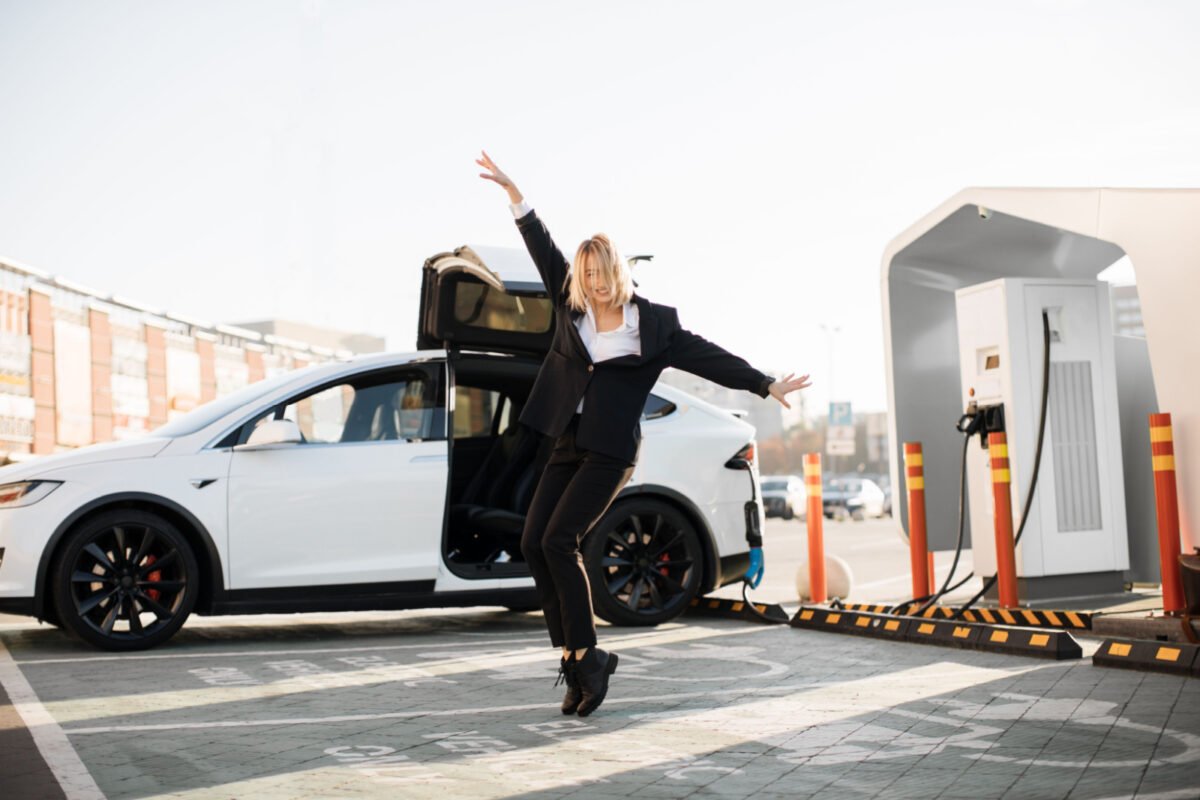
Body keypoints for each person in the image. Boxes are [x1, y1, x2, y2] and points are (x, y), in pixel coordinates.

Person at [477, 151, 811, 717]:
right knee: (535, 543)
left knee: (561, 542)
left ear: (617, 273)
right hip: (565, 442)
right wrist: (516, 194)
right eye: (584, 276)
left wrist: (762, 383)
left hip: (610, 451)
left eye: (600, 275)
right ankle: (578, 660)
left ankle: (586, 658)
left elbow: (706, 356)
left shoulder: (654, 325)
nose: (593, 285)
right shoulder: (570, 308)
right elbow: (541, 246)